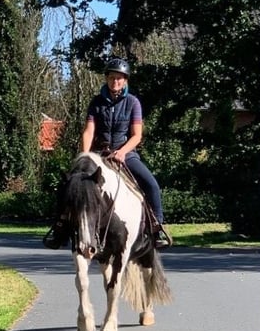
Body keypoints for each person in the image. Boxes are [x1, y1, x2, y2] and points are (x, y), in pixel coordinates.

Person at [43, 57, 170, 250]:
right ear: (106, 79)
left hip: (126, 154)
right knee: (69, 185)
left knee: (151, 184)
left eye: (119, 78)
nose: (115, 82)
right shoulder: (96, 102)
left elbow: (137, 136)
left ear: (125, 80)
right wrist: (84, 155)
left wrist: (122, 152)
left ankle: (156, 227)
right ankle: (59, 229)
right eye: (111, 77)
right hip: (99, 155)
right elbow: (88, 131)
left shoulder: (133, 103)